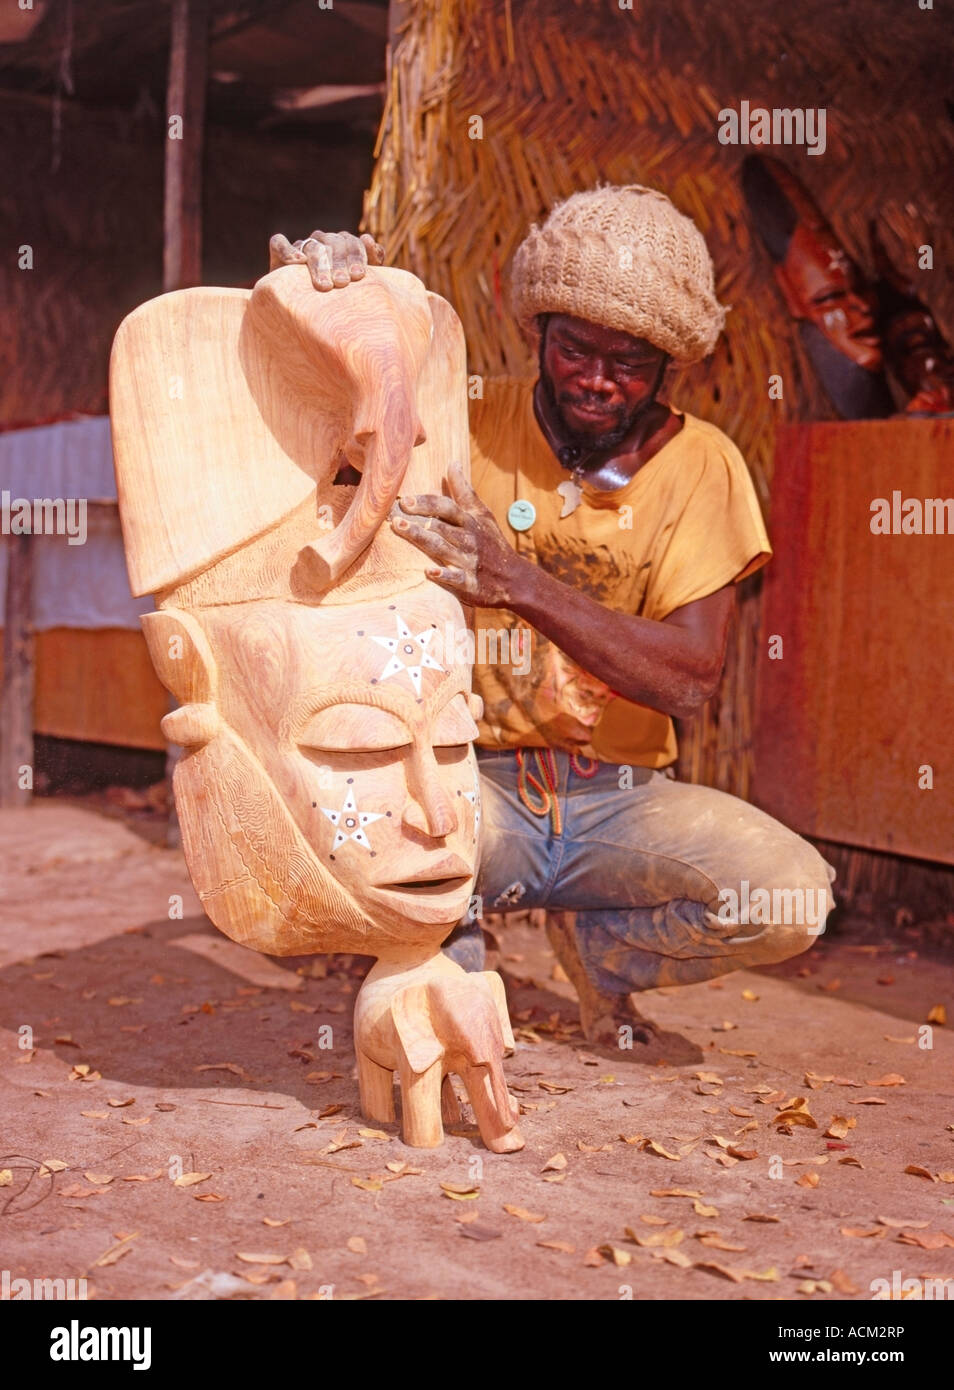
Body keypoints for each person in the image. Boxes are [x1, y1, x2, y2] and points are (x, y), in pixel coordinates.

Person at [269, 184, 835, 1046]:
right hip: (470, 790)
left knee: (794, 896)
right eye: (575, 350)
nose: (599, 381)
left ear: (668, 365)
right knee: (374, 850)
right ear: (537, 331)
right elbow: (325, 412)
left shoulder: (703, 467)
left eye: (631, 364)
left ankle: (603, 948)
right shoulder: (460, 420)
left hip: (618, 803)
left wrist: (518, 581)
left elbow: (690, 680)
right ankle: (449, 935)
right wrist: (322, 294)